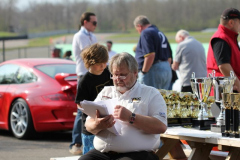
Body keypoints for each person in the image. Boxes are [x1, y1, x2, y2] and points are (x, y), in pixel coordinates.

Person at [79, 52, 167, 160]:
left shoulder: (151, 93)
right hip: (103, 153)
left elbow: (161, 126)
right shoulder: (106, 92)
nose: (118, 78)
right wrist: (98, 124)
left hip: (136, 154)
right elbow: (88, 125)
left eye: (123, 75)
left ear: (135, 73)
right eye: (115, 74)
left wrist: (131, 117)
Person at [75, 43, 113, 154]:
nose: (103, 66)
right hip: (90, 127)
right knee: (90, 153)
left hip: (106, 124)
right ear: (90, 63)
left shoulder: (107, 73)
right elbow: (79, 104)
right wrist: (92, 111)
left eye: (105, 63)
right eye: (100, 64)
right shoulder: (84, 81)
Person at [70, 12, 98, 155]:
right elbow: (91, 54)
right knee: (82, 108)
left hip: (94, 74)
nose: (95, 26)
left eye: (96, 23)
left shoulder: (92, 36)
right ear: (85, 22)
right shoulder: (79, 36)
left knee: (94, 107)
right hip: (83, 75)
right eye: (94, 23)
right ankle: (76, 142)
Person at [133, 15, 172, 90]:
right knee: (162, 98)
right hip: (166, 69)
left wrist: (144, 72)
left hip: (153, 70)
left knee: (149, 99)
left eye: (137, 29)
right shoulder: (160, 33)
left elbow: (150, 55)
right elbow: (169, 57)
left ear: (139, 26)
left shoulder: (146, 33)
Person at [207, 8, 240, 93]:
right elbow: (223, 65)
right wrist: (238, 85)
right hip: (225, 93)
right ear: (231, 23)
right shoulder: (221, 38)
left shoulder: (229, 38)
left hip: (228, 90)